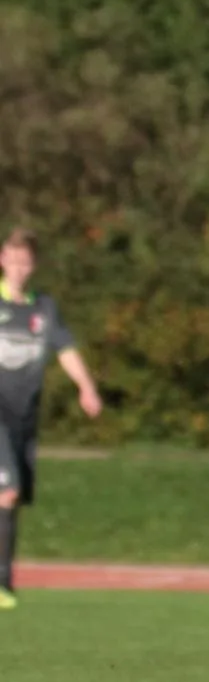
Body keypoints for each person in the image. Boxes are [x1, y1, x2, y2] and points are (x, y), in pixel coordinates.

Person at [0, 225, 104, 608]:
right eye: (13, 261)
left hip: (24, 420)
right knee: (7, 492)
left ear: (34, 266)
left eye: (25, 263)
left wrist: (86, 387)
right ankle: (2, 584)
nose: (19, 269)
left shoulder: (44, 309)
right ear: (2, 260)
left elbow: (66, 350)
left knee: (12, 500)